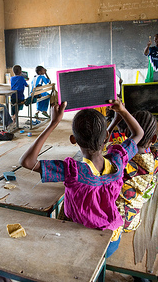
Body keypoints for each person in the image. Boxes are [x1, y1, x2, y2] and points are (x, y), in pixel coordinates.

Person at [19, 100, 143, 258]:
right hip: (111, 239)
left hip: (79, 241)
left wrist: (53, 123)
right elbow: (139, 134)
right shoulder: (118, 160)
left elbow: (27, 162)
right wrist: (122, 112)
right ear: (107, 136)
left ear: (73, 140)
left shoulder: (73, 172)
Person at [111, 108, 158, 243]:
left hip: (107, 217)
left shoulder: (115, 152)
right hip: (128, 223)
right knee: (151, 180)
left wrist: (114, 121)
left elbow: (99, 144)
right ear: (154, 138)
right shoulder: (156, 159)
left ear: (125, 133)